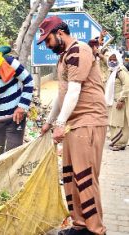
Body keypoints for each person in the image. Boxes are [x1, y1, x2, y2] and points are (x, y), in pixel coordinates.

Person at [39, 16, 108, 235]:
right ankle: (80, 225)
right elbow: (62, 96)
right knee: (70, 176)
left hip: (88, 119)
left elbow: (75, 90)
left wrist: (59, 124)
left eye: (47, 39)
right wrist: (49, 122)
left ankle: (96, 230)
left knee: (85, 177)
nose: (47, 45)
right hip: (73, 123)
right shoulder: (63, 57)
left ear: (59, 33)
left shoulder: (80, 50)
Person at [105, 50, 129, 151]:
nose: (112, 61)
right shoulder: (111, 71)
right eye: (110, 59)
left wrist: (122, 99)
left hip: (119, 101)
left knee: (119, 122)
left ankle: (120, 143)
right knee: (112, 122)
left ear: (118, 59)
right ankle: (115, 141)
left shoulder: (121, 71)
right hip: (111, 101)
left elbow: (127, 85)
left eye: (114, 59)